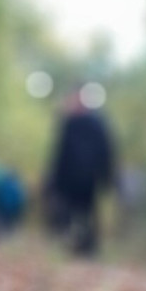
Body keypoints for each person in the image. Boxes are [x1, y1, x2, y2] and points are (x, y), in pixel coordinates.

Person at [44, 87, 116, 256]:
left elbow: (106, 151)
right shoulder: (68, 123)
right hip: (68, 180)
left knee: (87, 212)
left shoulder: (97, 123)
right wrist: (53, 179)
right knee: (68, 212)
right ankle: (73, 244)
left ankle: (88, 247)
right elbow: (59, 153)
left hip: (89, 178)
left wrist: (107, 176)